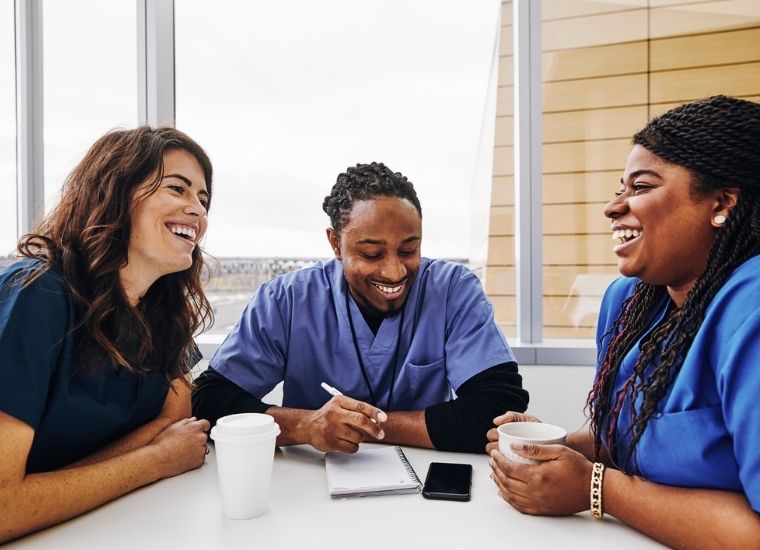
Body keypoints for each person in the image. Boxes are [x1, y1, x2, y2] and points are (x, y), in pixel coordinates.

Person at [487, 95, 760, 547]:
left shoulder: (750, 314)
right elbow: (624, 438)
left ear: (722, 203)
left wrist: (597, 490)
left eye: (642, 187)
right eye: (621, 188)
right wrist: (552, 446)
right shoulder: (630, 301)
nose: (613, 208)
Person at [193, 162, 528, 453]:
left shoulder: (453, 290)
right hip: (309, 482)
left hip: (425, 483)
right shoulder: (287, 300)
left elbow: (499, 413)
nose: (394, 271)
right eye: (372, 254)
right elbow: (210, 401)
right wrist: (307, 426)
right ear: (335, 243)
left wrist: (365, 428)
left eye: (409, 250)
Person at [0, 127, 213, 543]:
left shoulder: (164, 310)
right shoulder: (34, 294)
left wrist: (47, 486)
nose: (198, 212)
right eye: (178, 189)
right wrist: (153, 460)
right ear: (115, 192)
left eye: (203, 200)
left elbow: (177, 420)